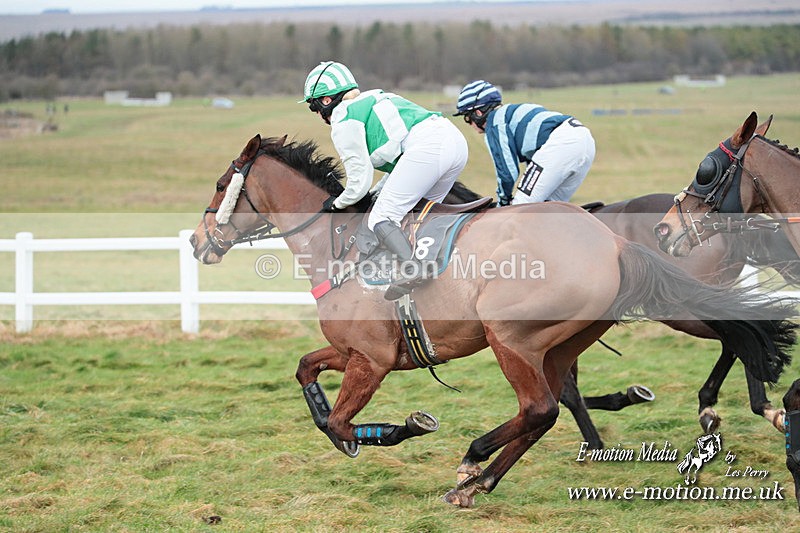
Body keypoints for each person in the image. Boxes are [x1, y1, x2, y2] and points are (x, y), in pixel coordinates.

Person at [302, 61, 468, 298]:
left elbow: (359, 183)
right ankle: (442, 273)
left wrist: (337, 203)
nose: (317, 114)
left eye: (313, 107)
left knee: (380, 216)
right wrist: (378, 191)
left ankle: (414, 269)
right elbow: (400, 169)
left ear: (326, 100)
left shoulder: (343, 117)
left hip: (428, 149)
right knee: (418, 215)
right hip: (455, 143)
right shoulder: (376, 97)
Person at [454, 80, 595, 206]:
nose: (470, 124)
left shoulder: (495, 123)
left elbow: (507, 172)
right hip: (584, 139)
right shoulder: (513, 112)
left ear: (478, 113)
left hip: (562, 143)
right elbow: (535, 163)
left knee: (519, 209)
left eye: (467, 118)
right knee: (550, 210)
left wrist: (503, 202)